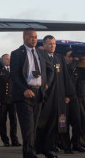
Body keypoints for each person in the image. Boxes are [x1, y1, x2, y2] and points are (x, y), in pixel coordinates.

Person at [10, 28, 54, 158]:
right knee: (28, 127)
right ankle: (29, 154)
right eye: (31, 37)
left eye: (35, 37)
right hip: (24, 95)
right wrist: (24, 89)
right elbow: (15, 75)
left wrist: (46, 84)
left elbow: (50, 69)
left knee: (34, 126)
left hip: (39, 93)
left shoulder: (41, 53)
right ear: (24, 37)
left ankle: (32, 150)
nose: (34, 39)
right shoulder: (17, 53)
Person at [37, 35, 74, 155]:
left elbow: (65, 77)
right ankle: (41, 147)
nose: (52, 46)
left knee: (61, 121)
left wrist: (68, 94)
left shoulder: (59, 58)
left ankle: (61, 146)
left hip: (60, 97)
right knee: (44, 123)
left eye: (54, 44)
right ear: (43, 45)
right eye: (49, 44)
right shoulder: (40, 56)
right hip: (46, 97)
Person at [62, 51, 85, 153]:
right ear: (64, 57)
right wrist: (76, 61)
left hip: (73, 98)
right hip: (62, 99)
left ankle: (75, 143)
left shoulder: (75, 68)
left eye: (73, 57)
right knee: (63, 124)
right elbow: (69, 70)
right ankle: (66, 147)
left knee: (78, 123)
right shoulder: (62, 67)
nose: (72, 58)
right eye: (70, 56)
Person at [0, 53, 20, 147]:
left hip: (13, 100)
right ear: (2, 60)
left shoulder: (14, 71)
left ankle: (14, 140)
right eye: (6, 59)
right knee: (2, 121)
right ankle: (5, 140)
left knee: (14, 120)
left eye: (9, 59)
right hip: (2, 100)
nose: (9, 60)